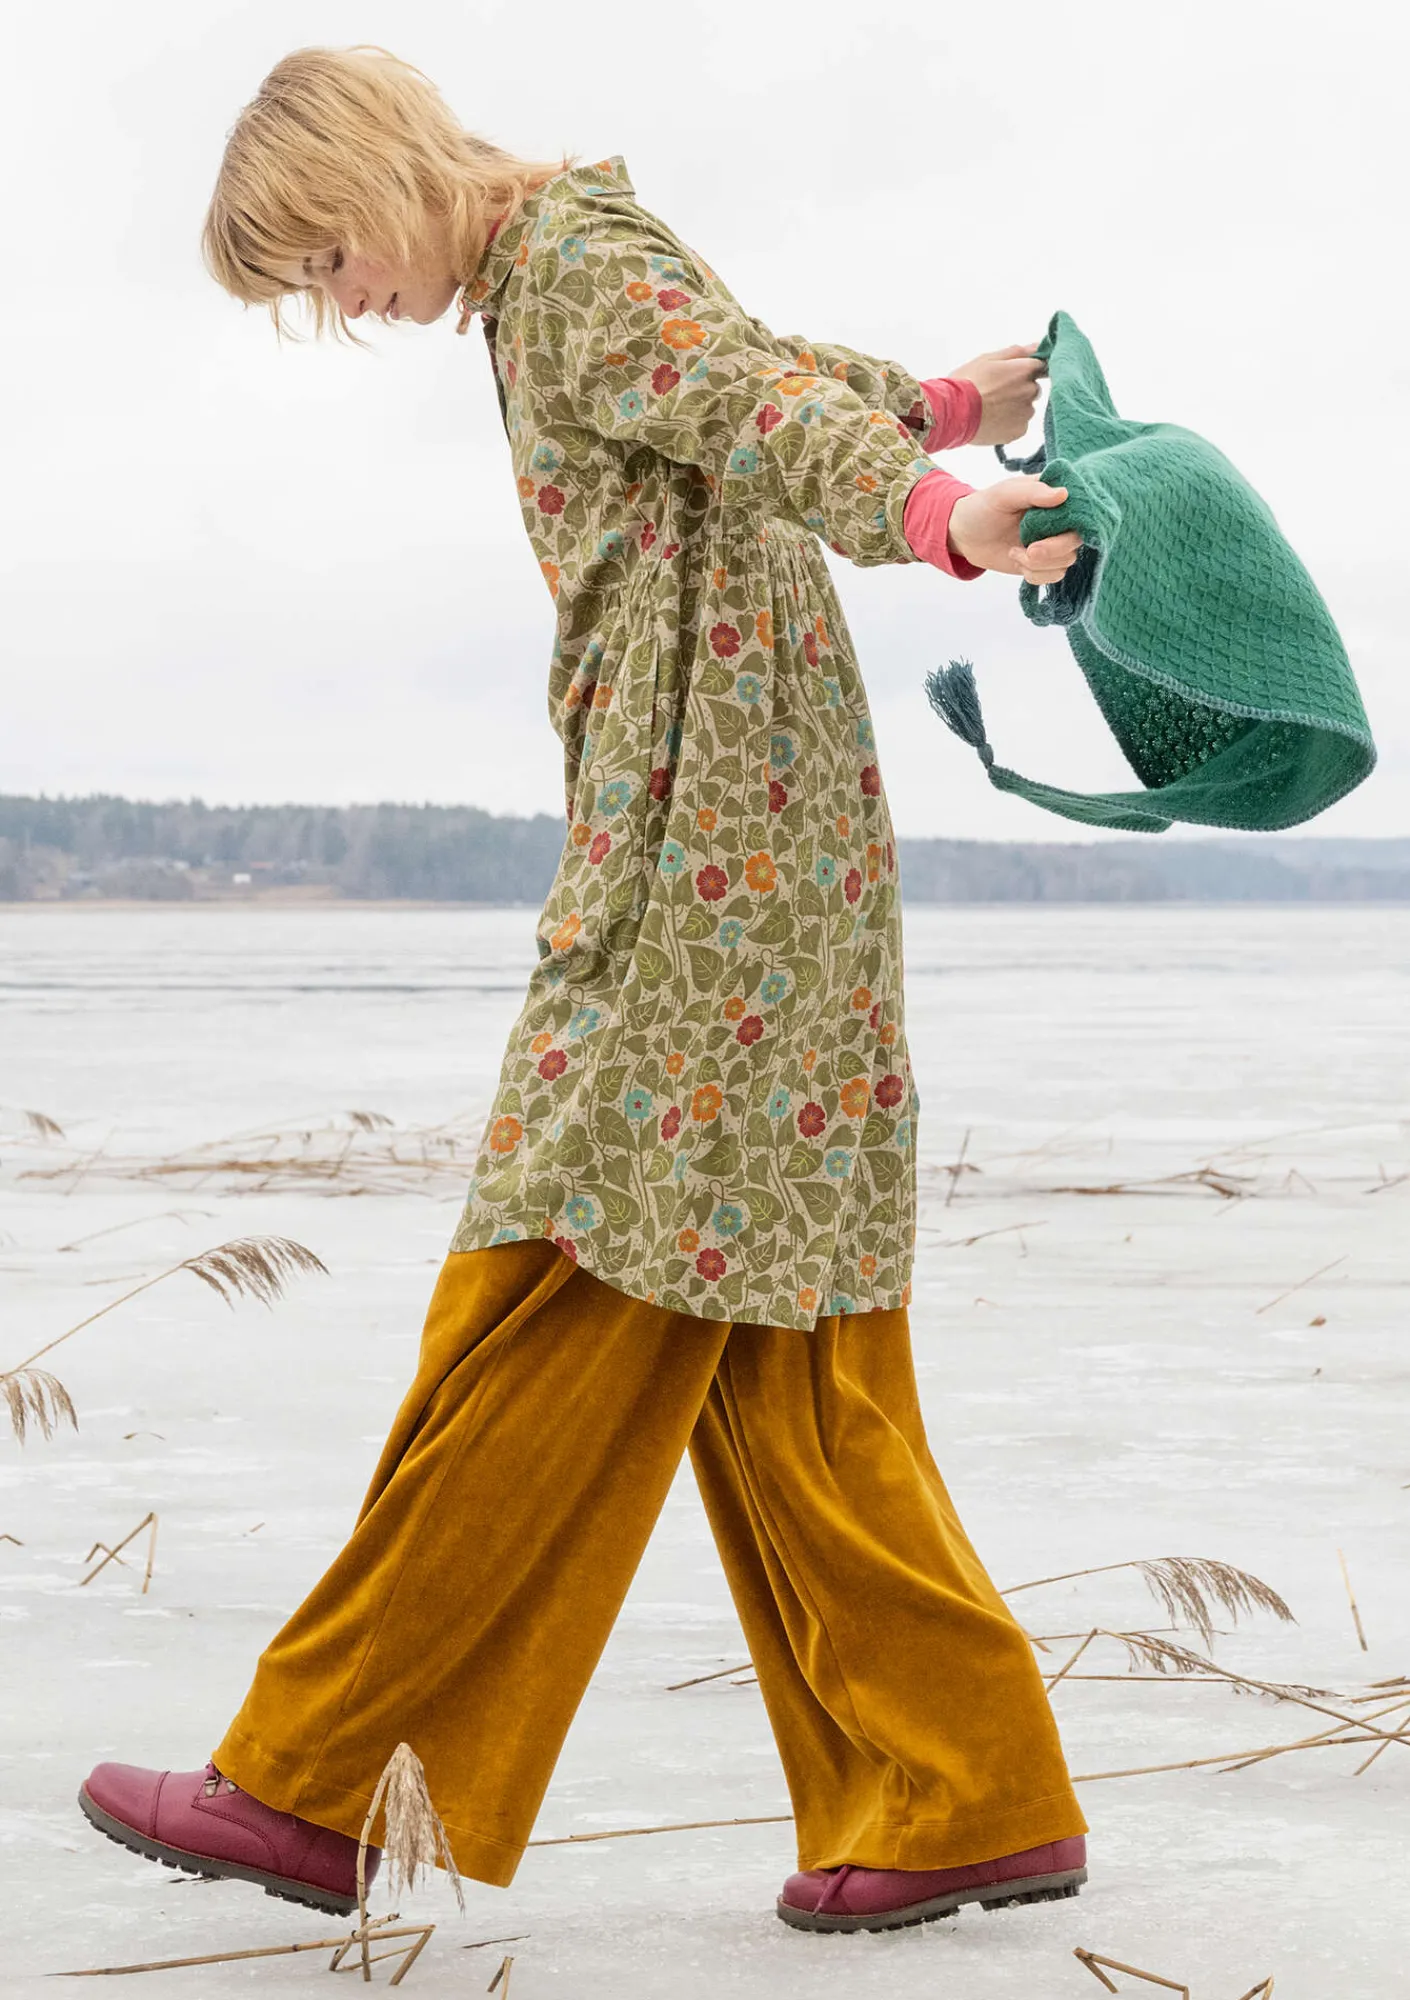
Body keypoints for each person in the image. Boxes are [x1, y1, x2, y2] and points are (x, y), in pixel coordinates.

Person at [77, 44, 1089, 1937]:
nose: (340, 305)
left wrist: (931, 510)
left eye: (321, 259)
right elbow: (758, 386)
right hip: (750, 831)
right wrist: (941, 403)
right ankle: (962, 1793)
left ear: (373, 171)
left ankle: (319, 1782)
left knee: (566, 1274)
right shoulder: (578, 259)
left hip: (706, 849)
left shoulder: (563, 267)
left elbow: (739, 401)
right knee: (782, 1315)